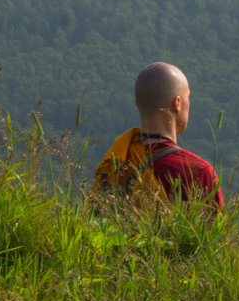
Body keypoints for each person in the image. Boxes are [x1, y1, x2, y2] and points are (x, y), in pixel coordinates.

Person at [92, 61, 223, 211]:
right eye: (188, 97)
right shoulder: (198, 172)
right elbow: (214, 232)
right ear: (178, 103)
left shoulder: (116, 162)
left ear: (137, 103)